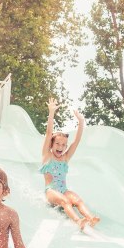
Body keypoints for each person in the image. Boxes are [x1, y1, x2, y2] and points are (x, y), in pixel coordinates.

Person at [40, 98, 100, 230]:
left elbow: (77, 141)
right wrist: (51, 112)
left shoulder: (66, 157)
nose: (61, 147)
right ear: (51, 144)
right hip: (51, 191)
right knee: (65, 201)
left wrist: (81, 121)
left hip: (64, 190)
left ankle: (90, 218)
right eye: (57, 144)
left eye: (63, 145)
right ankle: (78, 221)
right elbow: (49, 133)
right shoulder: (47, 156)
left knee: (77, 200)